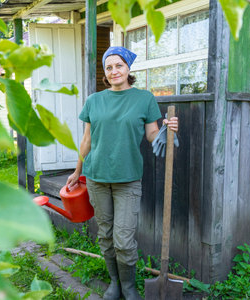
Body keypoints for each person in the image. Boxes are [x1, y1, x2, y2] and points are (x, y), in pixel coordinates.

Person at [66, 46, 178, 300]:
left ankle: (128, 287)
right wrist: (78, 170)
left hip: (127, 179)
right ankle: (115, 283)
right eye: (109, 67)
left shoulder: (144, 98)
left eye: (119, 65)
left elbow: (152, 135)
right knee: (105, 236)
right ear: (105, 73)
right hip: (96, 178)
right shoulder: (94, 101)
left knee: (124, 240)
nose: (114, 71)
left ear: (128, 69)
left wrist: (166, 129)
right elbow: (87, 140)